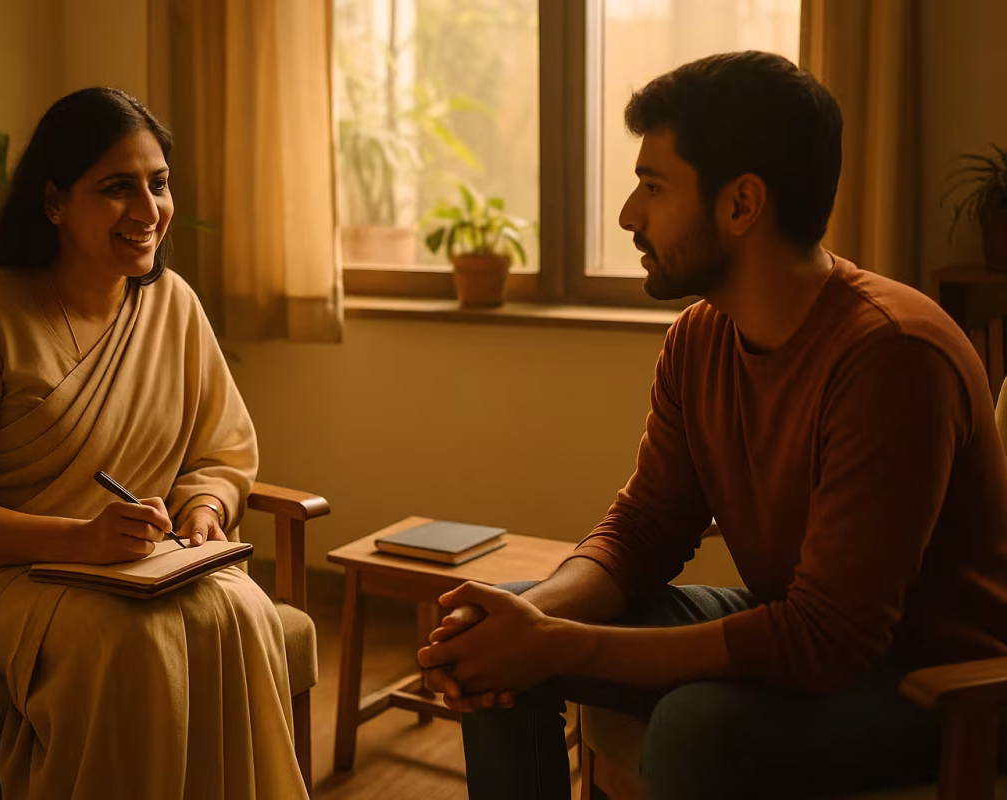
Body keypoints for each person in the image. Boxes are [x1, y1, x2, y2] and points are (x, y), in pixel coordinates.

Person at [418, 51, 1007, 799]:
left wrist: (559, 644)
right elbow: (645, 529)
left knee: (695, 729)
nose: (629, 215)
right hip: (799, 625)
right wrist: (523, 621)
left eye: (653, 187)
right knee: (494, 642)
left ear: (742, 205)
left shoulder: (893, 355)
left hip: (940, 686)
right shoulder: (699, 339)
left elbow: (830, 639)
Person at [0, 87, 308, 800]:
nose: (148, 211)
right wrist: (80, 539)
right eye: (117, 188)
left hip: (137, 563)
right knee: (131, 641)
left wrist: (204, 509)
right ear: (55, 202)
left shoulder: (173, 305)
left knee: (243, 609)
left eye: (159, 184)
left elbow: (221, 453)